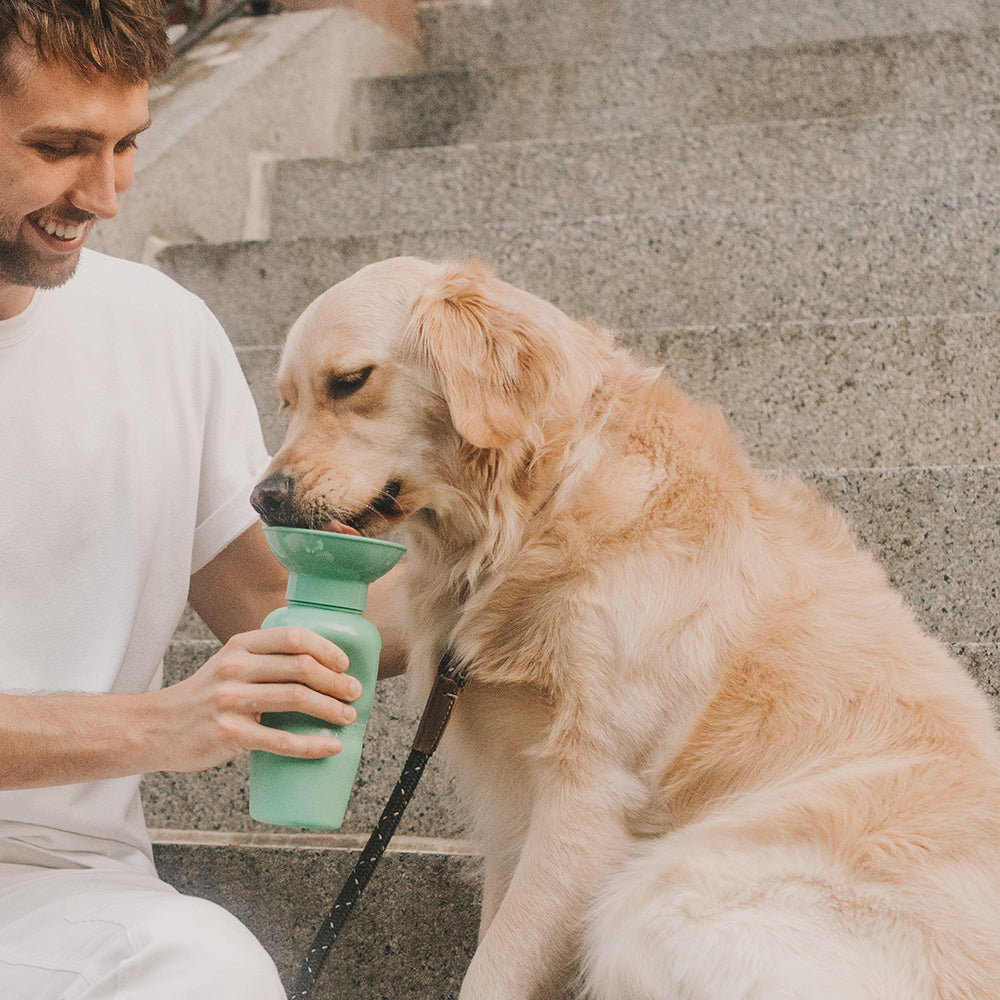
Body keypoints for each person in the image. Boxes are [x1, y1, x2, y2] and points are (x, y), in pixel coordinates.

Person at [0, 1, 405, 995]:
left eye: (127, 144)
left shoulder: (162, 330)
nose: (102, 194)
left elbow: (274, 612)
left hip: (65, 889)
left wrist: (505, 577)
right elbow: (182, 714)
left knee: (208, 969)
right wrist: (156, 725)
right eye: (60, 148)